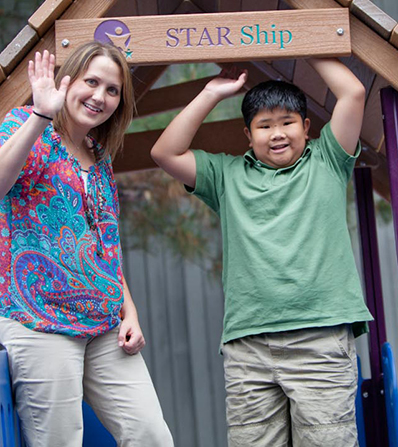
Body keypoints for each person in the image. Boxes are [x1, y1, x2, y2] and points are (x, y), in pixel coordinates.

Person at [151, 58, 373, 446]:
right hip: (249, 345)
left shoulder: (327, 161)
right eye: (264, 126)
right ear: (248, 135)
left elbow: (353, 92)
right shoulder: (227, 175)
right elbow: (165, 153)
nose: (277, 134)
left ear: (306, 128)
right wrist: (210, 93)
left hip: (318, 339)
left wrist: (308, 41)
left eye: (287, 122)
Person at [0, 42, 174, 447]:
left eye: (112, 90)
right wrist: (42, 115)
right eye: (91, 82)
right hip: (40, 321)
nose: (100, 96)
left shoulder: (99, 155)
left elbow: (105, 249)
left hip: (104, 325)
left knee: (151, 435)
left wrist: (130, 311)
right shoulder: (25, 124)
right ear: (68, 81)